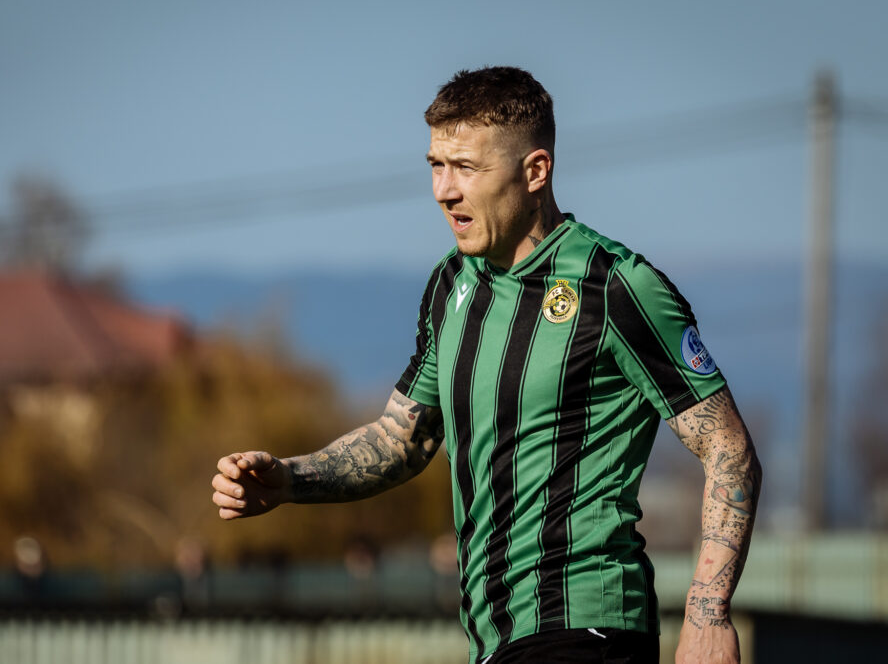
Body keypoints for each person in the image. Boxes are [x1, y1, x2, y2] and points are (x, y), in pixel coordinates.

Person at [212, 66, 761, 664]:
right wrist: (290, 480)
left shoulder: (615, 286)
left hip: (587, 625)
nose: (444, 190)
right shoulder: (451, 283)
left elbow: (727, 447)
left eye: (466, 168)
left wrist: (709, 615)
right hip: (494, 638)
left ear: (536, 171)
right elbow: (402, 440)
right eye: (435, 166)